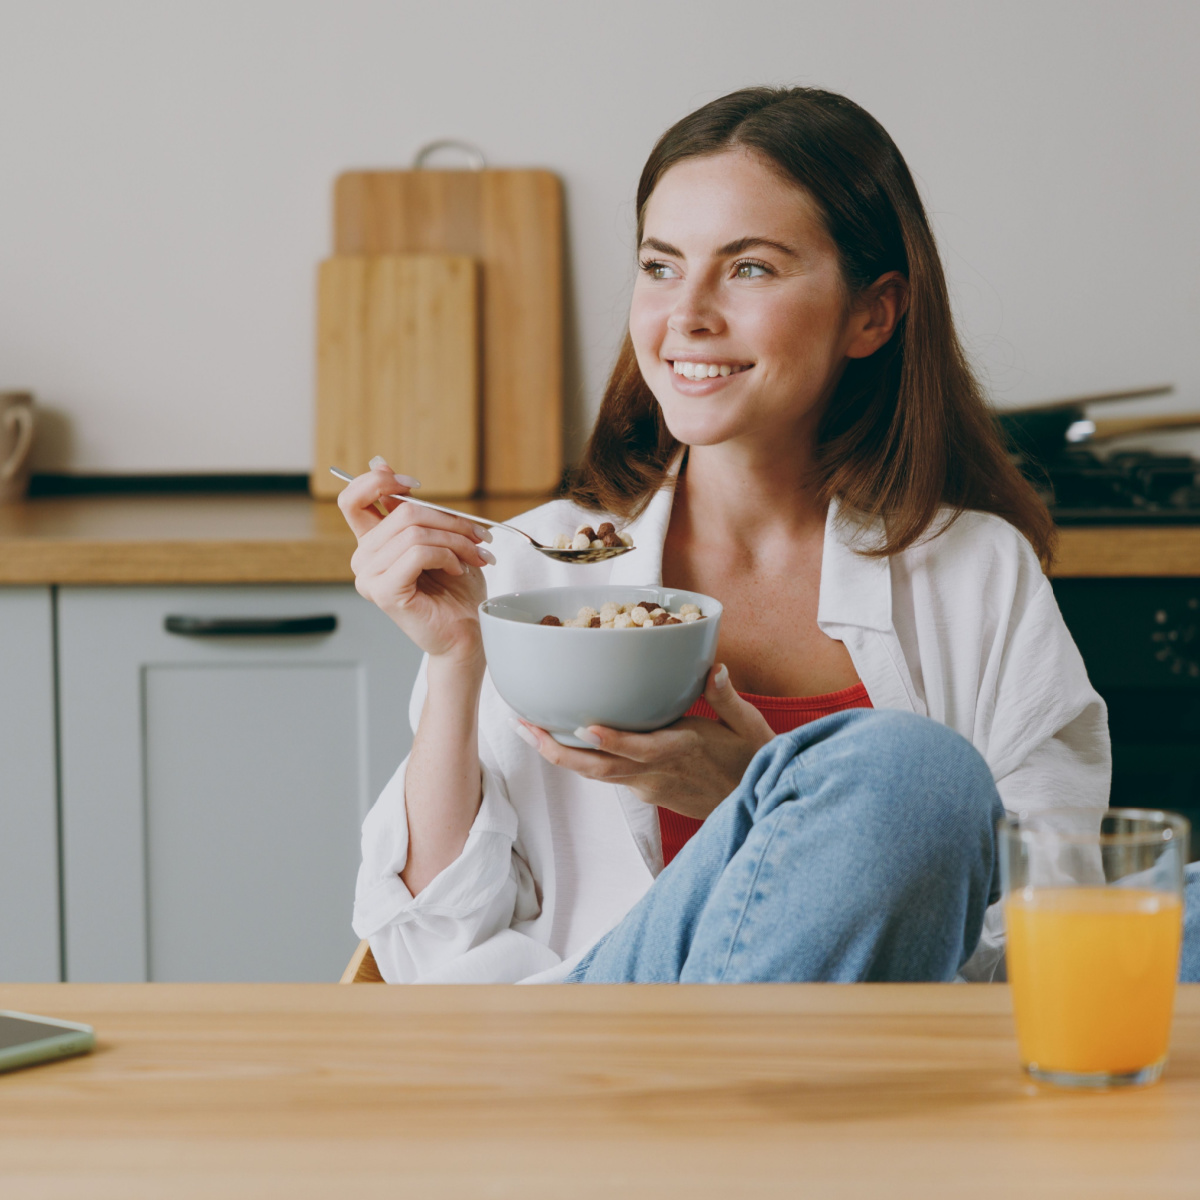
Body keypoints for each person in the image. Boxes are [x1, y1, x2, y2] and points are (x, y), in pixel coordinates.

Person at [338, 85, 1130, 985]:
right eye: (661, 266)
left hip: (882, 1075)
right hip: (606, 1055)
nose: (688, 315)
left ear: (873, 314)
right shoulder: (529, 567)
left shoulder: (976, 572)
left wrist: (754, 791)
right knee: (911, 771)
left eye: (749, 268)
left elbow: (1048, 935)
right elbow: (431, 951)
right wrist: (455, 659)